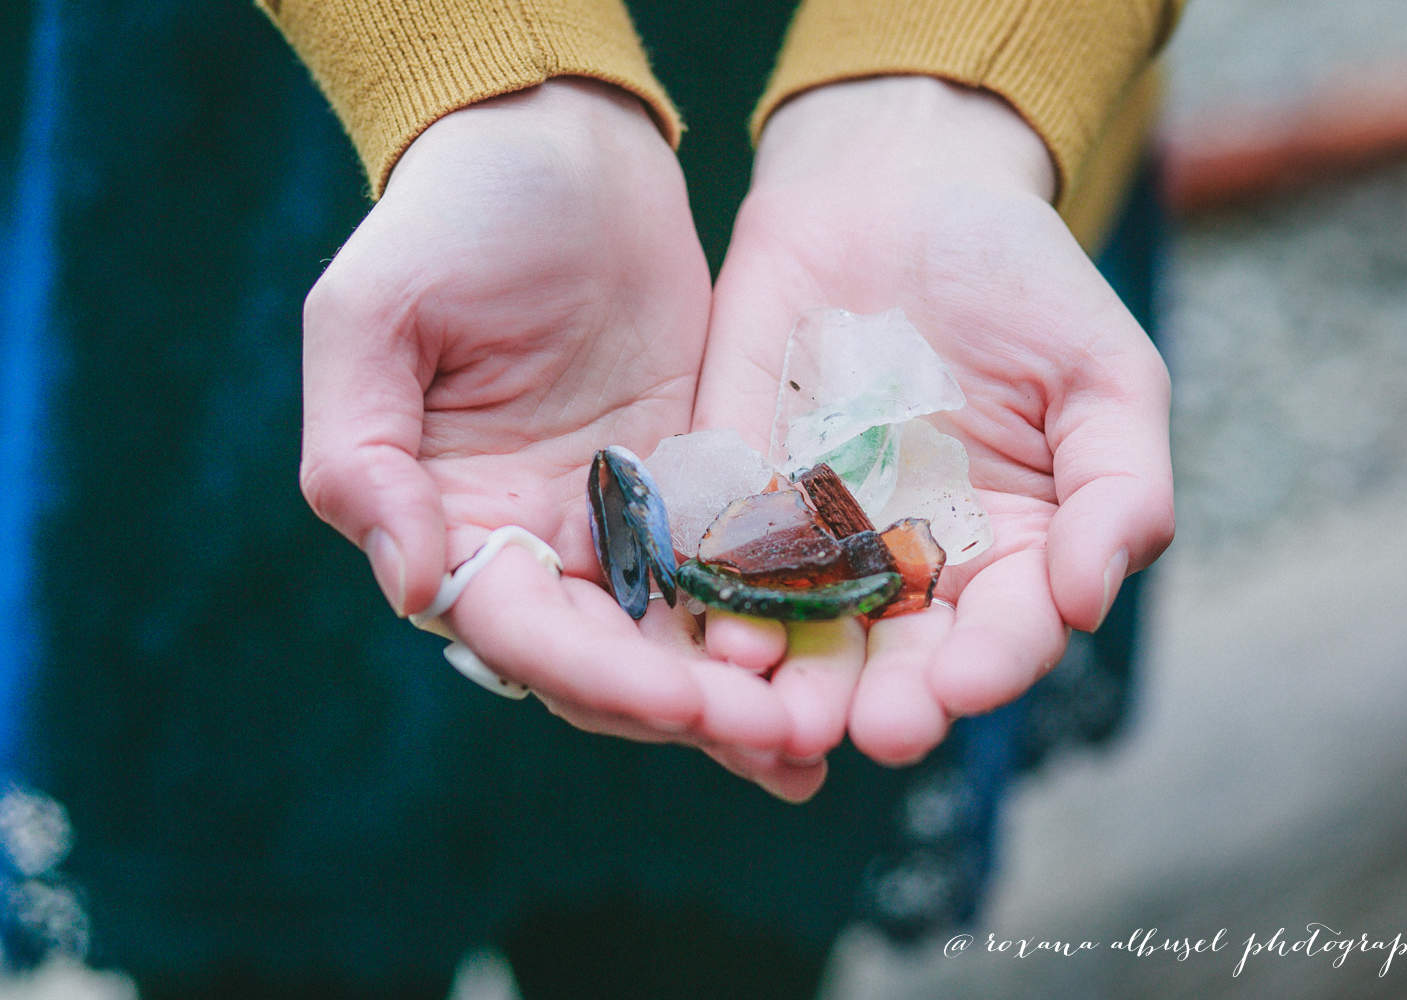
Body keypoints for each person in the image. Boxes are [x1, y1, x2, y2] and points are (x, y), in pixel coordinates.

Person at [10, 2, 1177, 997]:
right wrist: (478, 64)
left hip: (869, 161)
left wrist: (944, 80)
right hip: (265, 150)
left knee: (714, 934)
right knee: (258, 893)